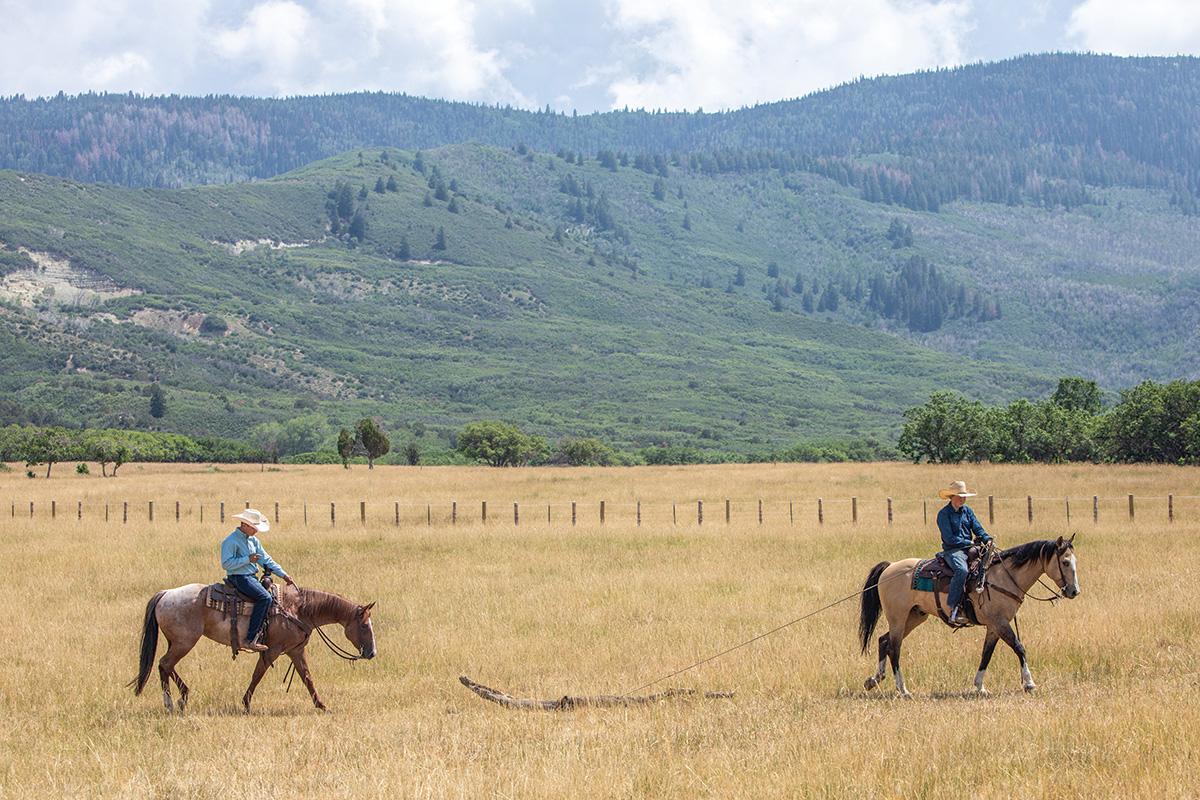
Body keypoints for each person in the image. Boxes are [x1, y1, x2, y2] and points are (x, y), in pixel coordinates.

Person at [221, 509, 295, 652]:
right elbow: (226, 564)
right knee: (265, 598)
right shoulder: (230, 541)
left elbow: (266, 560)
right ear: (245, 526)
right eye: (254, 527)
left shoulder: (253, 541)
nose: (256, 531)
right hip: (239, 578)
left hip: (250, 577)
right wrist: (247, 560)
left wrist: (283, 575)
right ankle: (250, 638)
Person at [936, 480, 992, 625]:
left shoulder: (968, 511)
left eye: (964, 496)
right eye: (959, 496)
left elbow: (977, 528)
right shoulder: (943, 514)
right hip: (953, 550)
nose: (962, 499)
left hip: (970, 549)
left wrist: (987, 539)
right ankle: (954, 608)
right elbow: (949, 538)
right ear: (951, 497)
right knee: (961, 570)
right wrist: (969, 543)